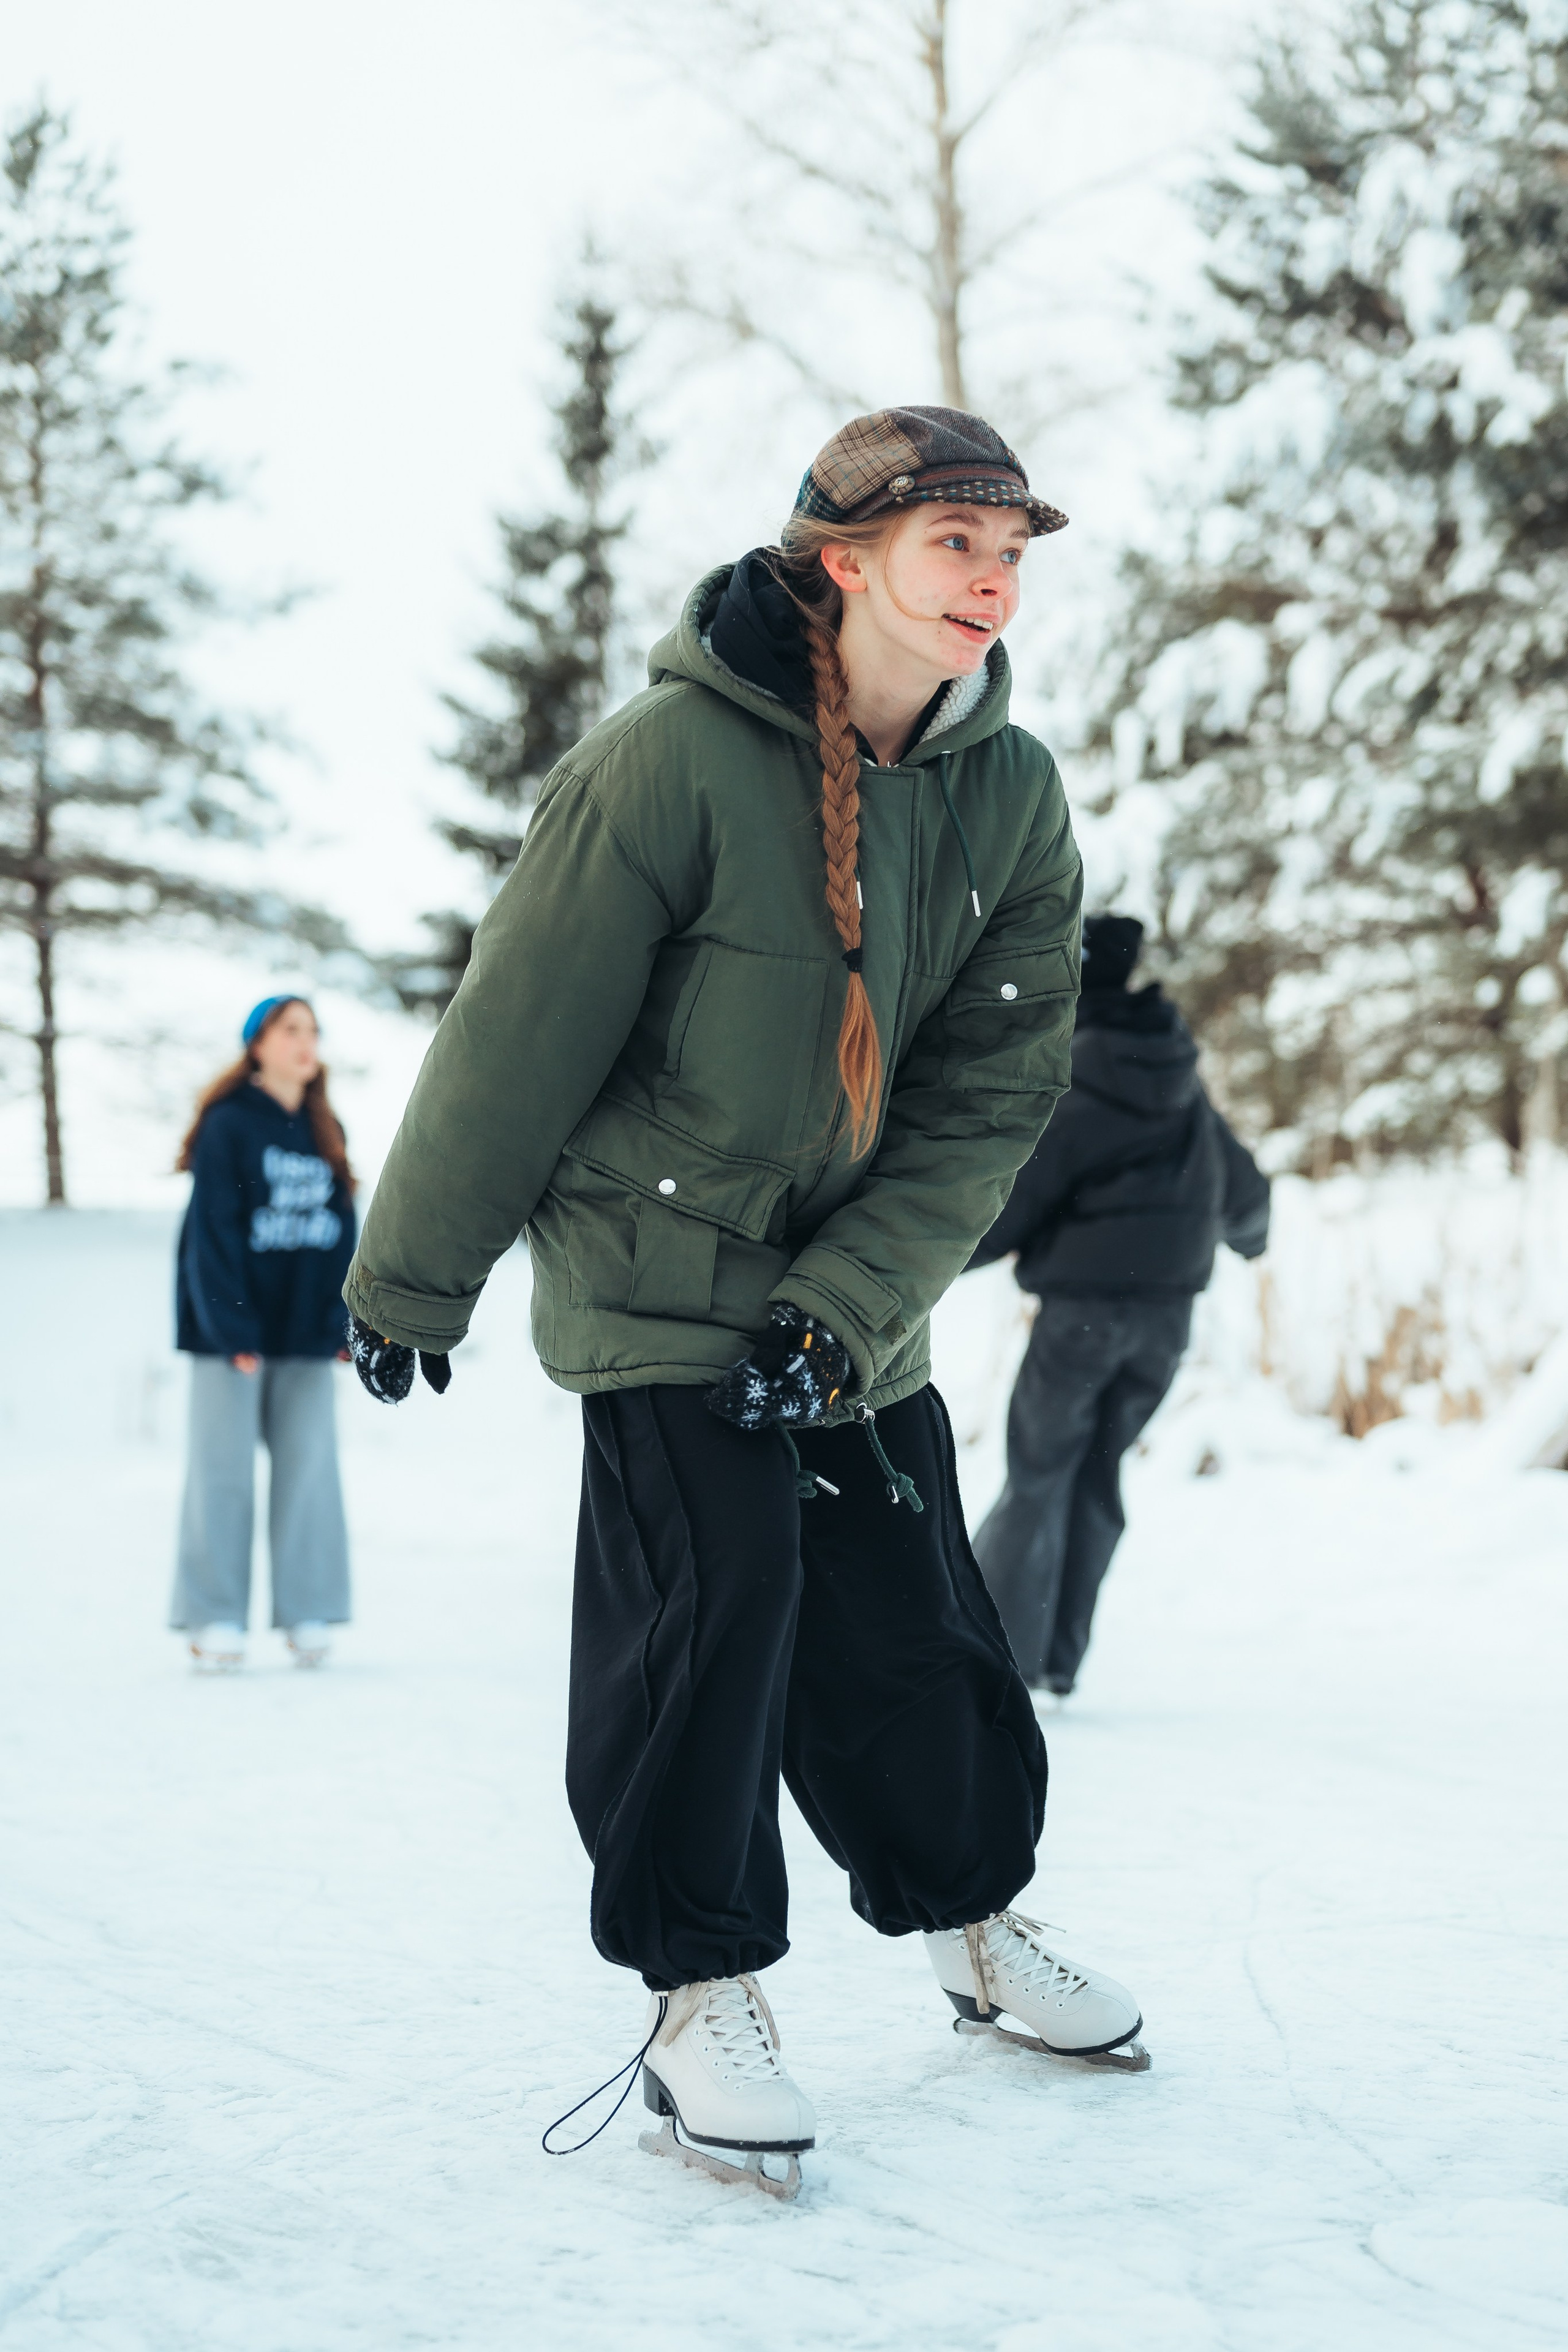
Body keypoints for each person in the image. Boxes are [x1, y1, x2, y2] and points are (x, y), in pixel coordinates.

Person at [343, 407, 1148, 2193]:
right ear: (840, 561)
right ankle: (699, 1989)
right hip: (659, 1279)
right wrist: (415, 1271)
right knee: (714, 1626)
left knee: (915, 1633)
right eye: (956, 544)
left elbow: (987, 1101)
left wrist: (848, 1304)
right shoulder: (668, 763)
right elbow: (515, 1029)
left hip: (848, 1312)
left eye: (1012, 552)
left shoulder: (1008, 794)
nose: (994, 582)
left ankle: (973, 1920)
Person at [968, 913, 1270, 1697]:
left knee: (1038, 1476)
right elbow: (1245, 1192)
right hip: (1167, 1319)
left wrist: (919, 1263)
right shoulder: (1176, 1071)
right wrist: (1249, 1237)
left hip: (1082, 1316)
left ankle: (997, 1655)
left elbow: (1016, 1200)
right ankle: (1059, 1656)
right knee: (1097, 1479)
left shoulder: (1078, 1075)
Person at [170, 995, 356, 1673]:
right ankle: (213, 1614)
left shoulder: (323, 1124)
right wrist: (230, 1326)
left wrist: (343, 1323)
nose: (306, 1043)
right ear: (258, 1045)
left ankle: (308, 1608)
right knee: (222, 1474)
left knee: (309, 1471)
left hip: (307, 1330)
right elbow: (211, 1234)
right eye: (291, 1030)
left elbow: (343, 1234)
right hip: (232, 1332)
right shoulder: (228, 1125)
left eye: (312, 1030)